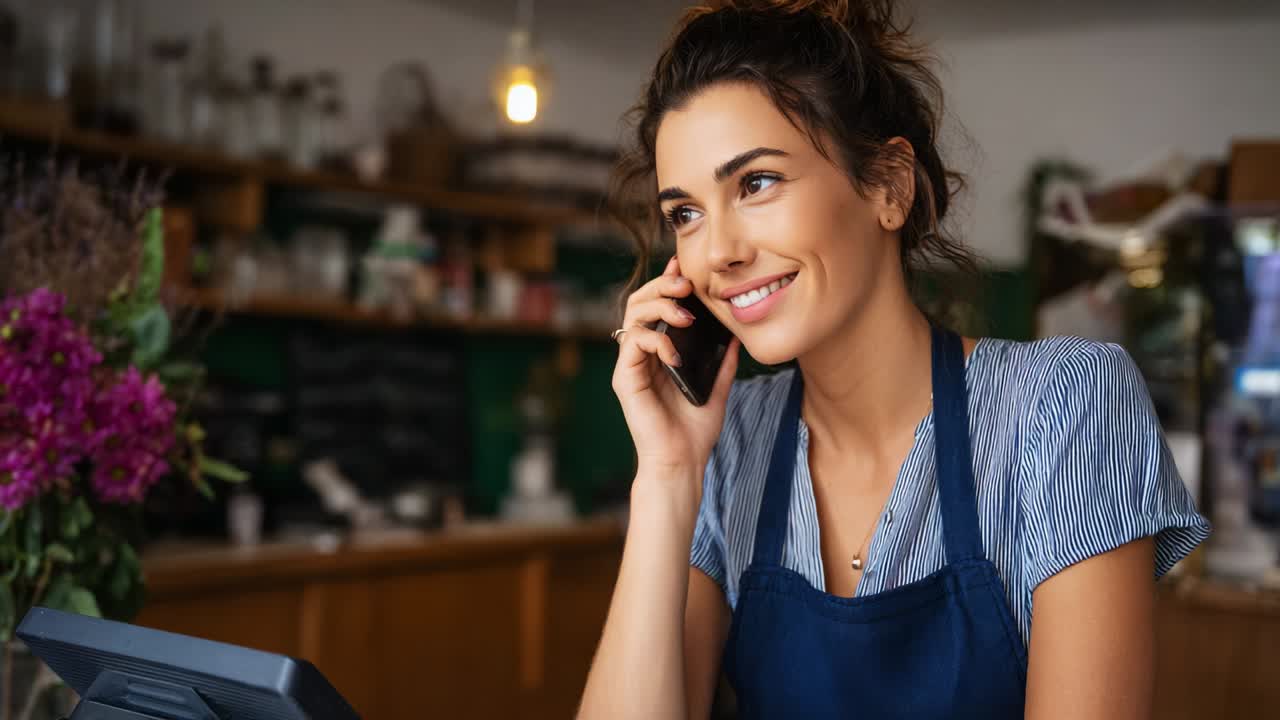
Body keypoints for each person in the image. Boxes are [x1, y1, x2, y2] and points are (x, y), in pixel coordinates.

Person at [577, 1, 1211, 718]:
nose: (717, 251)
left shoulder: (1063, 408)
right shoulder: (726, 446)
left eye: (755, 184)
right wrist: (666, 476)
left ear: (889, 186)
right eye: (684, 214)